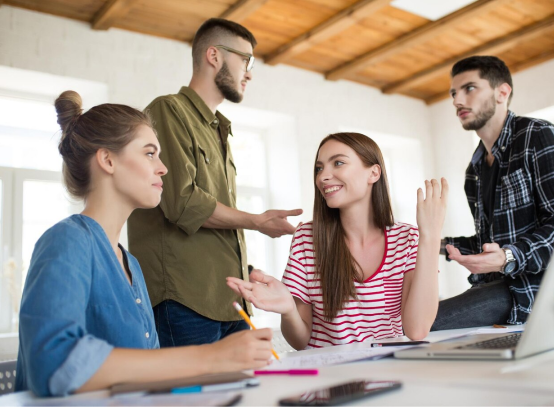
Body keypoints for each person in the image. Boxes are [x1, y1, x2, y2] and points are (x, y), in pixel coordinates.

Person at [15, 91, 273, 397]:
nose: (163, 168)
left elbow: (145, 375)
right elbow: (52, 364)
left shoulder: (132, 266)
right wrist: (211, 357)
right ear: (108, 160)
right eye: (150, 153)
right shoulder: (67, 242)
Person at [127, 18, 302, 348]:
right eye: (245, 60)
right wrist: (256, 221)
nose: (249, 73)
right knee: (193, 401)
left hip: (231, 301)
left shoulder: (219, 129)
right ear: (214, 56)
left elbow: (212, 220)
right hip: (184, 302)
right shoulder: (168, 111)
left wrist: (244, 267)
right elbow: (183, 203)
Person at [227, 132, 448, 349]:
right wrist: (289, 311)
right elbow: (299, 341)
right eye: (319, 168)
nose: (322, 177)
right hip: (328, 378)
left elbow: (417, 330)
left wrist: (429, 236)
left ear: (373, 173)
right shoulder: (307, 239)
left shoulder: (407, 239)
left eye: (338, 163)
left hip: (388, 376)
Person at [433, 56, 554, 330]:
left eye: (469, 88)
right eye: (454, 93)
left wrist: (508, 257)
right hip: (499, 289)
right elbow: (488, 244)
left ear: (502, 92)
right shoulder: (474, 171)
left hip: (545, 291)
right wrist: (431, 242)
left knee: (420, 324)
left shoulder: (540, 136)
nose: (457, 101)